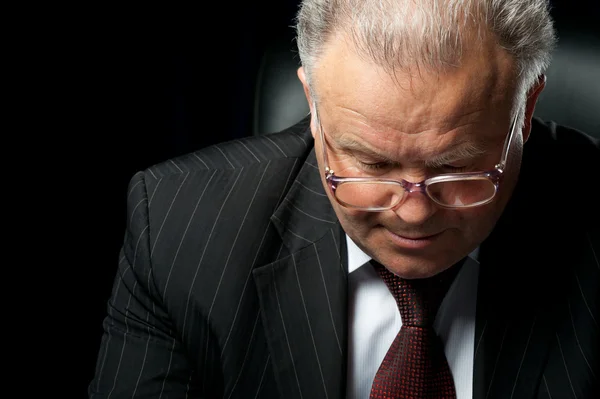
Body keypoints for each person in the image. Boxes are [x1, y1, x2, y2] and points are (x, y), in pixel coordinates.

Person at [89, 0, 599, 398]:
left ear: (525, 109)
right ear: (313, 106)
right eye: (373, 165)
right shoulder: (179, 230)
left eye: (456, 167)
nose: (414, 214)